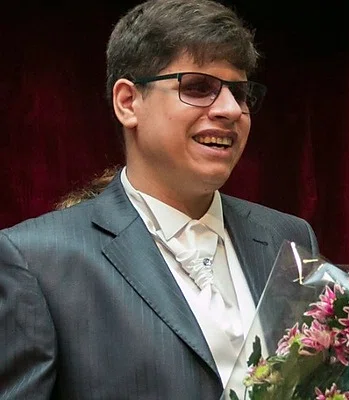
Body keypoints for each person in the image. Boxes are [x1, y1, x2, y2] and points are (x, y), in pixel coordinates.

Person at [0, 1, 319, 399]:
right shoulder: (35, 260)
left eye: (240, 93)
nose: (231, 110)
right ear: (128, 102)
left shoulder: (288, 237)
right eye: (198, 87)